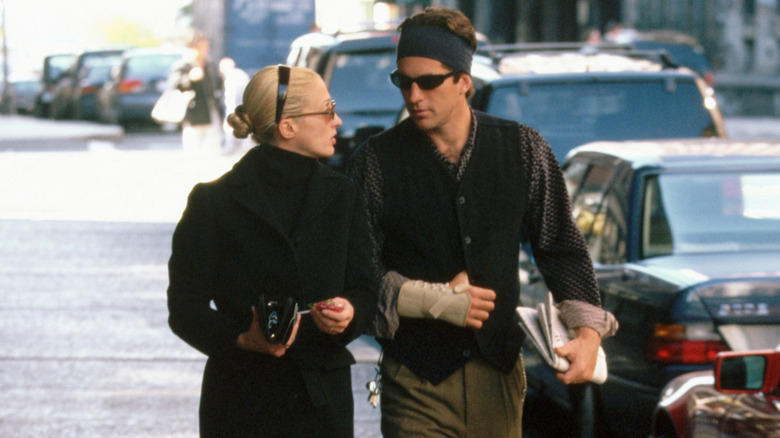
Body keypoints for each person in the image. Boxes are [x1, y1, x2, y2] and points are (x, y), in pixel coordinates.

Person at [346, 7, 618, 437]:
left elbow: (560, 246)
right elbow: (355, 271)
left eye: (430, 82)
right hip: (415, 378)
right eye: (404, 82)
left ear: (464, 82)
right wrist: (428, 298)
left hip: (499, 375)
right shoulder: (376, 162)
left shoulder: (523, 148)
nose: (414, 95)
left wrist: (588, 334)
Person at [167, 64, 378, 437]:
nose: (338, 121)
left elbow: (364, 287)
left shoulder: (344, 196)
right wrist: (242, 338)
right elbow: (184, 309)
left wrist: (349, 313)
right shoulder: (213, 202)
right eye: (327, 109)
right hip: (240, 403)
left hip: (322, 404)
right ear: (288, 126)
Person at [171, 32, 225, 154]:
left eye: (207, 46)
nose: (206, 50)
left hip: (211, 112)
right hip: (193, 113)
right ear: (193, 48)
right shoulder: (184, 65)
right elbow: (174, 84)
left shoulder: (209, 64)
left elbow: (216, 86)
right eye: (203, 47)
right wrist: (189, 79)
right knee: (193, 150)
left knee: (214, 149)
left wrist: (221, 75)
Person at [218, 57, 253, 154]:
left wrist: (229, 114)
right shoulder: (241, 74)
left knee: (230, 128)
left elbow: (231, 98)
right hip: (245, 107)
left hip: (235, 108)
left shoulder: (230, 77)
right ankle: (246, 148)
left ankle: (230, 148)